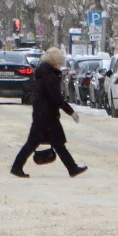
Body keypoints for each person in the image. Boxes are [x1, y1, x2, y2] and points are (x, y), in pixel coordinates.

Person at [11, 46, 87, 178]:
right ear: (54, 62)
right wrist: (71, 112)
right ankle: (72, 168)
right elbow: (56, 98)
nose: (60, 65)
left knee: (45, 143)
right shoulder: (50, 76)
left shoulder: (43, 73)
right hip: (47, 116)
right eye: (58, 62)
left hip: (42, 114)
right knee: (52, 144)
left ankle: (72, 168)